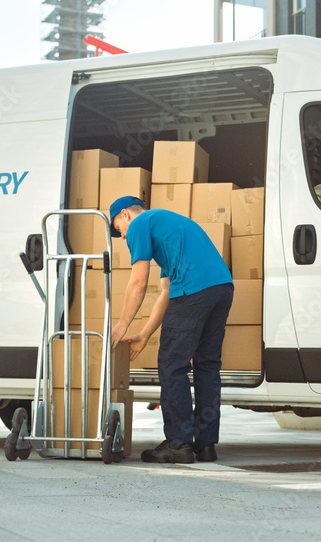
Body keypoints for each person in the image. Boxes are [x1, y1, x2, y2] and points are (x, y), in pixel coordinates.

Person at [108, 195, 234, 464]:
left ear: (126, 215)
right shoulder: (168, 226)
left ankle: (178, 444)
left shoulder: (141, 223)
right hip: (222, 287)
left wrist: (121, 325)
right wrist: (144, 334)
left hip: (194, 290)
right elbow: (165, 293)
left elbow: (138, 282)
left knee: (172, 365)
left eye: (118, 228)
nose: (122, 237)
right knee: (207, 365)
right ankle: (205, 444)